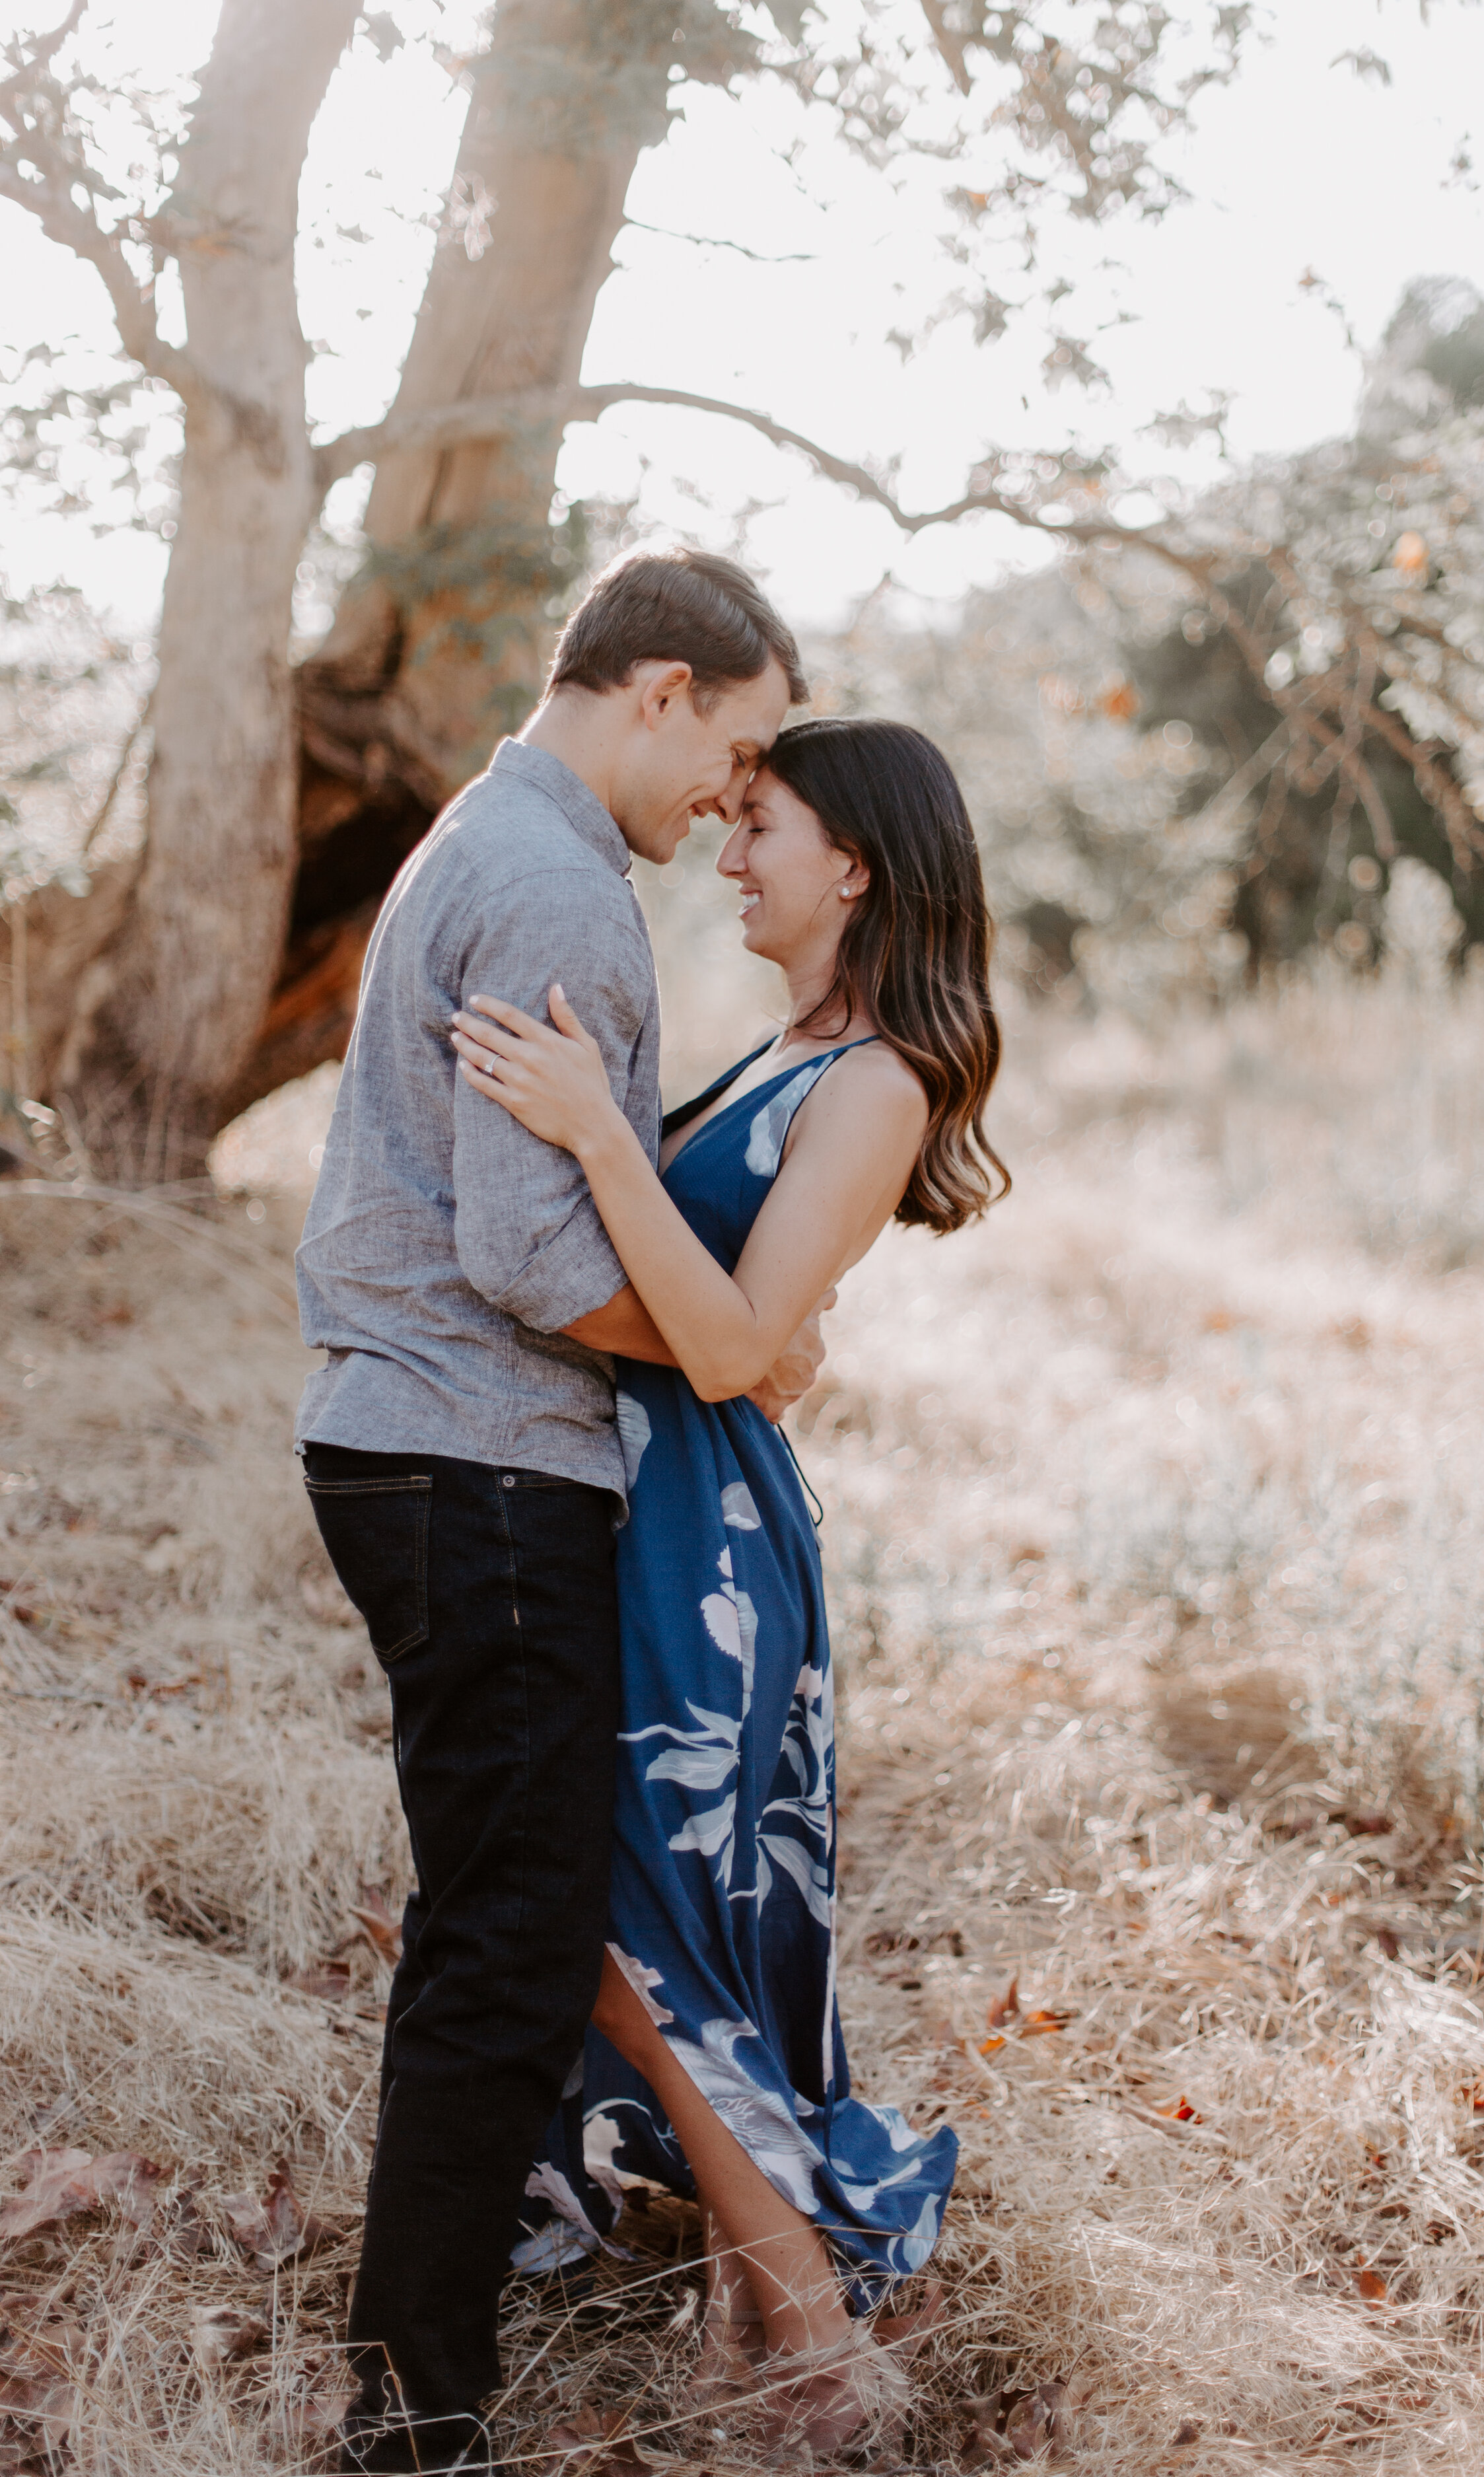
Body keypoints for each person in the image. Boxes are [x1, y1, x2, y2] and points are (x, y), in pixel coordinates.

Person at [293, 547, 828, 2476]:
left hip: (412, 1443)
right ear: (661, 687)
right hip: (480, 1458)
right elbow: (531, 1263)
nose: (732, 799)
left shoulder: (484, 834)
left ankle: (418, 2365)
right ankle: (416, 2416)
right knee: (508, 1942)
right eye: (738, 745)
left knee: (491, 1924)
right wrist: (735, 1356)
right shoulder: (554, 893)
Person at [448, 713, 1008, 2458]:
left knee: (615, 1913)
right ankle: (751, 2291)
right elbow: (751, 1325)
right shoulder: (791, 1050)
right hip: (635, 1515)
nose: (728, 853)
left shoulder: (879, 1077)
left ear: (853, 862)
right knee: (642, 1916)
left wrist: (596, 1139)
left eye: (758, 826)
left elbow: (731, 1340)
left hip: (705, 1552)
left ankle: (817, 2326)